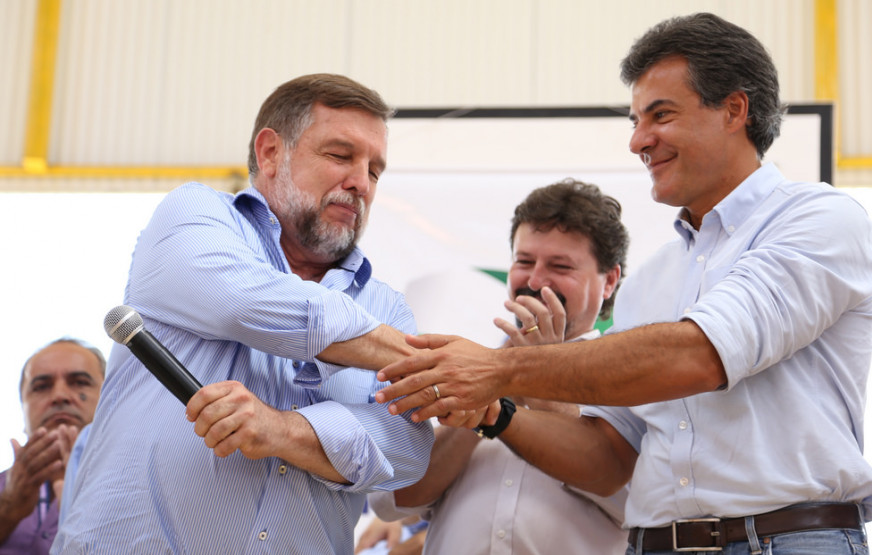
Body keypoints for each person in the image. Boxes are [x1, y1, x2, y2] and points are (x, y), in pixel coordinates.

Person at [375, 13, 872, 555]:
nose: (639, 140)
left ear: (735, 110)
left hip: (788, 539)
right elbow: (606, 464)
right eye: (635, 120)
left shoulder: (820, 220)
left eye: (660, 115)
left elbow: (700, 355)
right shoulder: (654, 278)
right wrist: (493, 409)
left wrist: (496, 369)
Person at [52, 74, 434, 554]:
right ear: (271, 152)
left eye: (375, 171)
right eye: (340, 155)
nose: (361, 183)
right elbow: (251, 304)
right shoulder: (193, 216)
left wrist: (283, 430)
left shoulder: (387, 307)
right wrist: (428, 363)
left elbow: (408, 448)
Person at [360, 179, 631, 555]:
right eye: (524, 262)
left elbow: (630, 501)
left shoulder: (632, 381)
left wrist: (540, 376)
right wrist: (491, 385)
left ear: (610, 281)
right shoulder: (461, 367)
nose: (535, 281)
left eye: (560, 266)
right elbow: (391, 501)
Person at [0, 338, 105, 554]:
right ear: (23, 409)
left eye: (79, 382)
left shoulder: (147, 484)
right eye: (41, 387)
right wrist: (8, 508)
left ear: (109, 398)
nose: (59, 396)